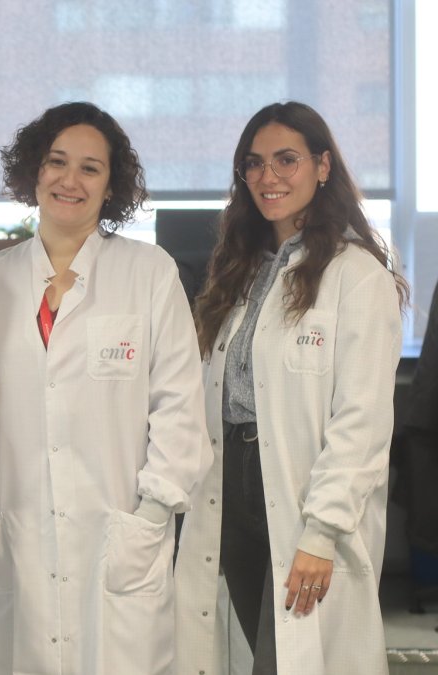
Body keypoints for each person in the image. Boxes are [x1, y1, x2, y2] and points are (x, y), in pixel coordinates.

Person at [0, 102, 212, 674]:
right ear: (34, 171)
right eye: (56, 162)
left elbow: (180, 406)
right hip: (15, 534)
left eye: (90, 168)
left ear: (111, 186)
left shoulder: (148, 273)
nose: (69, 180)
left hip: (119, 539)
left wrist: (151, 515)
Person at [175, 101, 407, 675]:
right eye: (253, 164)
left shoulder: (357, 276)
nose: (268, 177)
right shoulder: (241, 269)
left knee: (294, 659)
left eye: (286, 160)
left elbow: (363, 422)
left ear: (322, 166)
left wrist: (322, 532)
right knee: (255, 657)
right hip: (231, 487)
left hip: (303, 495)